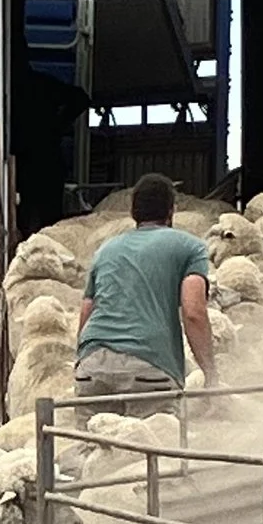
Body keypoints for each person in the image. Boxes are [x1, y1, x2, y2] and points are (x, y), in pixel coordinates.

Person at [74, 172, 214, 413]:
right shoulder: (191, 247)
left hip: (92, 367)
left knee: (92, 447)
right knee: (154, 446)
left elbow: (87, 311)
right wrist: (211, 375)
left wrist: (82, 361)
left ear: (132, 213)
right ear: (171, 211)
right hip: (149, 368)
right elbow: (193, 312)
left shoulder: (105, 250)